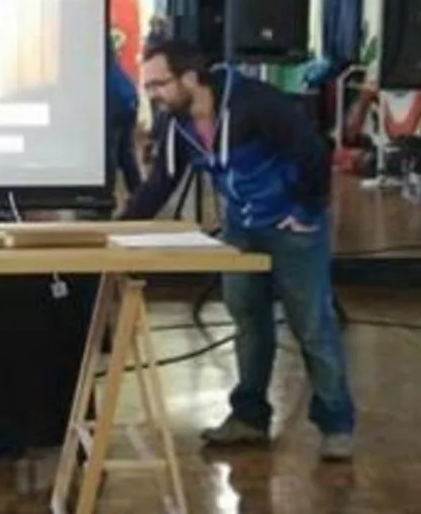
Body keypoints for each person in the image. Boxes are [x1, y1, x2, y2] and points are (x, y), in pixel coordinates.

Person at [120, 39, 356, 461]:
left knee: (311, 324)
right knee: (248, 319)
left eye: (158, 84)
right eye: (148, 86)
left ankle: (336, 424)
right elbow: (159, 185)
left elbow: (314, 153)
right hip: (242, 228)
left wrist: (305, 211)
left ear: (190, 77)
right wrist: (118, 232)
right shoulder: (177, 124)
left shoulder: (256, 103)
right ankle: (249, 417)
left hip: (293, 226)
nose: (152, 95)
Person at [107, 39, 142, 194]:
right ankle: (138, 192)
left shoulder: (100, 60)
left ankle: (107, 194)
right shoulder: (112, 63)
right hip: (128, 99)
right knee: (126, 153)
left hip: (115, 103)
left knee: (110, 152)